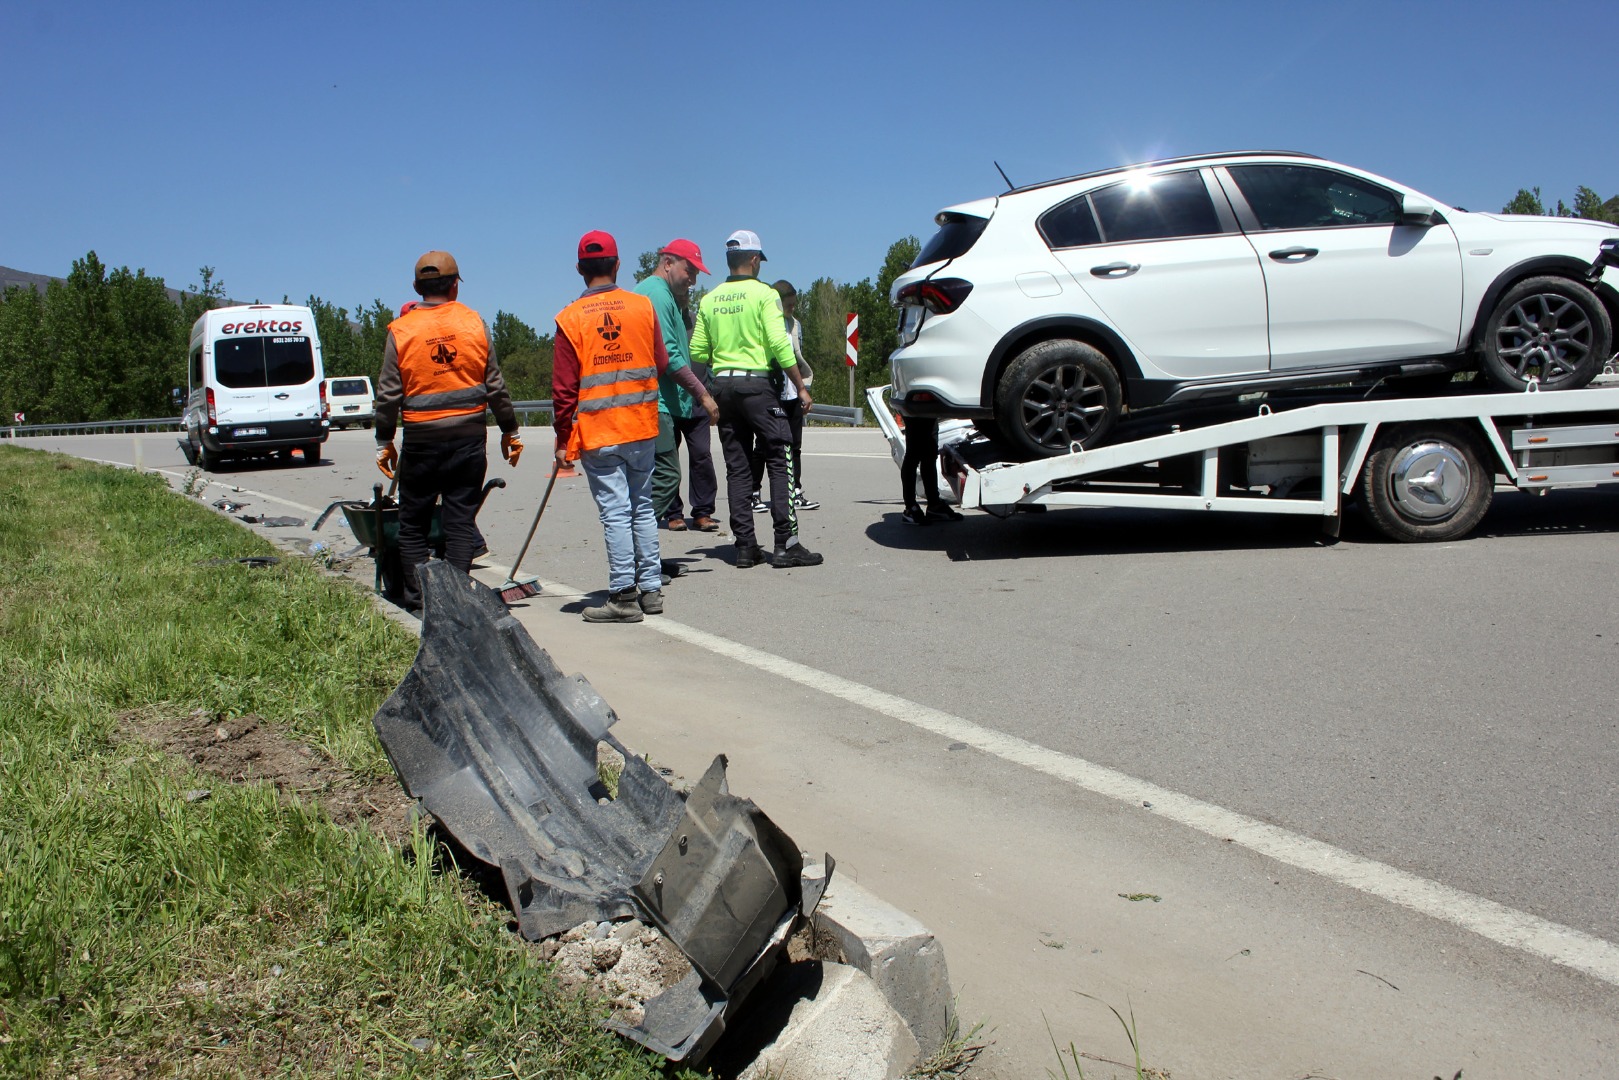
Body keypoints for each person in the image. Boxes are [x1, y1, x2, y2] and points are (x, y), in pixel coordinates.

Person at [552, 231, 718, 622]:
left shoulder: (569, 318)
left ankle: (623, 595)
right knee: (642, 508)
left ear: (579, 269)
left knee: (615, 512)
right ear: (618, 265)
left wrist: (563, 441)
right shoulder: (641, 307)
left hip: (600, 432)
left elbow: (563, 391)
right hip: (642, 425)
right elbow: (663, 361)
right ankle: (651, 591)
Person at [375, 251, 522, 613]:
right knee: (459, 524)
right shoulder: (474, 323)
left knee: (412, 526)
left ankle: (419, 604)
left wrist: (384, 440)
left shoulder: (401, 330)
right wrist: (510, 430)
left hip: (422, 443)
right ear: (455, 285)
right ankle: (454, 604)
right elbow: (496, 387)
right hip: (468, 441)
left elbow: (388, 393)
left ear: (415, 287)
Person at [690, 230, 823, 569]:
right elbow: (781, 345)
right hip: (758, 388)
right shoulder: (764, 295)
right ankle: (786, 543)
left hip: (722, 388)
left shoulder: (710, 299)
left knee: (738, 468)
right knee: (781, 458)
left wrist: (703, 394)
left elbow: (699, 352)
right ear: (753, 260)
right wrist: (801, 386)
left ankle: (745, 547)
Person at [636, 239, 720, 533]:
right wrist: (703, 394)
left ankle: (645, 557)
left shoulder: (663, 296)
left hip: (668, 400)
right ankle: (634, 546)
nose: (693, 280)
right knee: (666, 476)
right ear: (668, 263)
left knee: (664, 472)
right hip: (657, 401)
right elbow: (669, 356)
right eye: (690, 271)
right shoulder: (657, 295)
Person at [745, 280, 818, 513]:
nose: (793, 309)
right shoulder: (764, 323)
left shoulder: (795, 325)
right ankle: (754, 493)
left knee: (794, 446)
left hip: (792, 393)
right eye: (789, 305)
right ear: (778, 303)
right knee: (764, 445)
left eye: (794, 304)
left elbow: (797, 357)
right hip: (771, 393)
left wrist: (801, 388)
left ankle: (795, 491)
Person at [899, 413, 964, 525]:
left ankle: (934, 505)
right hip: (915, 405)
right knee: (914, 453)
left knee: (929, 453)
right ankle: (910, 507)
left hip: (929, 405)